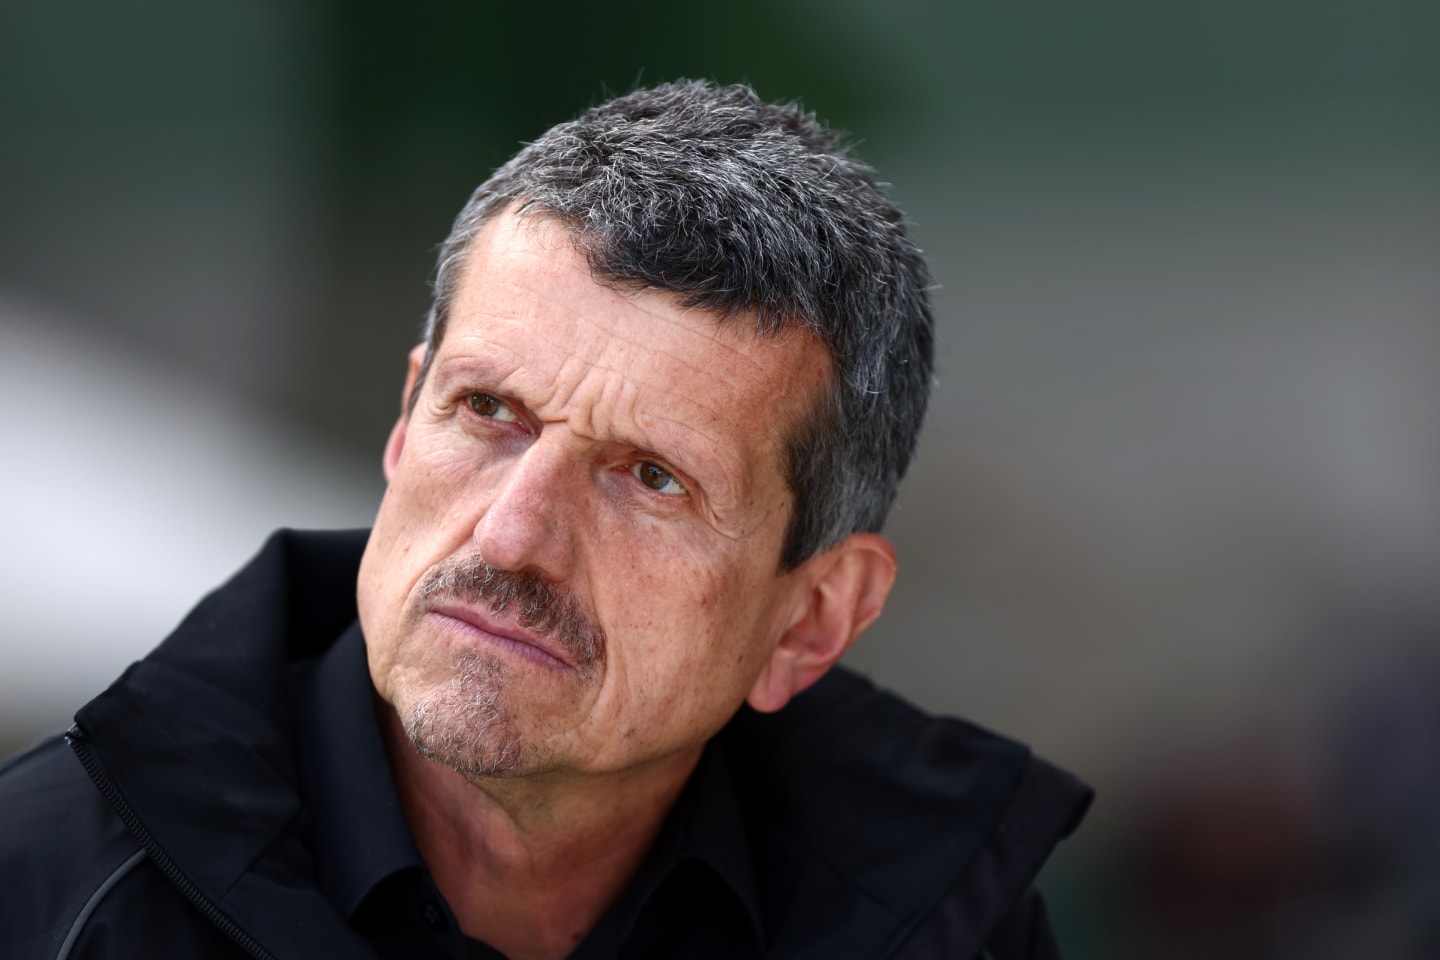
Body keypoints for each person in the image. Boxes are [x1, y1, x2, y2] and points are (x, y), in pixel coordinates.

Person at [0, 81, 1090, 959]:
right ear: (403, 423)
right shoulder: (44, 896)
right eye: (488, 412)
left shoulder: (953, 927)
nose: (512, 536)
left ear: (809, 620)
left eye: (653, 478)